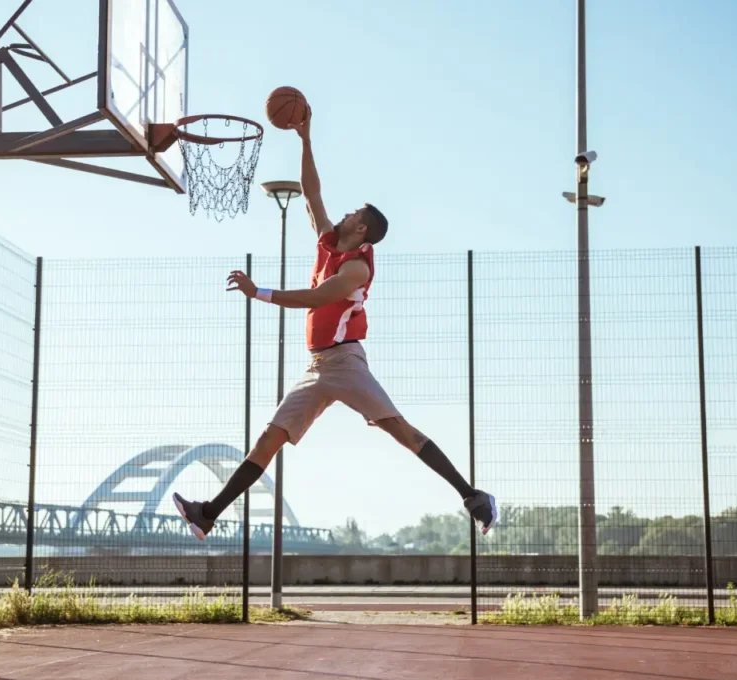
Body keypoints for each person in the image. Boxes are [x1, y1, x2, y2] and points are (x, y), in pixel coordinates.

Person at [172, 105, 497, 541]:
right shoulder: (328, 241)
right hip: (318, 368)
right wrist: (304, 140)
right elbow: (311, 192)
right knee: (270, 439)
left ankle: (473, 497)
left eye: (351, 214)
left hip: (345, 363)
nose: (341, 214)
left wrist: (259, 293)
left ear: (360, 228)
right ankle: (207, 514)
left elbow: (317, 298)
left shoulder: (357, 268)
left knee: (399, 430)